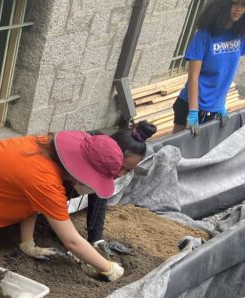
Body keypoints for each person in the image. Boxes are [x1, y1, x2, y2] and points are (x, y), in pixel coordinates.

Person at [0, 131, 125, 282]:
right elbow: (71, 241)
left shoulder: (51, 150)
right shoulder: (44, 179)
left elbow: (31, 202)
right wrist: (109, 268)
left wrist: (27, 243)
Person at [173, 0, 245, 135]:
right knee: (175, 150)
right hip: (191, 105)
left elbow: (225, 73)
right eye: (235, 4)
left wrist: (221, 104)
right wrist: (193, 112)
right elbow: (193, 76)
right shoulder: (204, 34)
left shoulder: (240, 35)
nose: (239, 9)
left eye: (243, 5)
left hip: (215, 108)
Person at [86, 121, 157, 251]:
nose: (120, 173)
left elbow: (99, 197)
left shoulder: (104, 172)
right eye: (120, 166)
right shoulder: (85, 154)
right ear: (110, 154)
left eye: (128, 170)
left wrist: (96, 239)